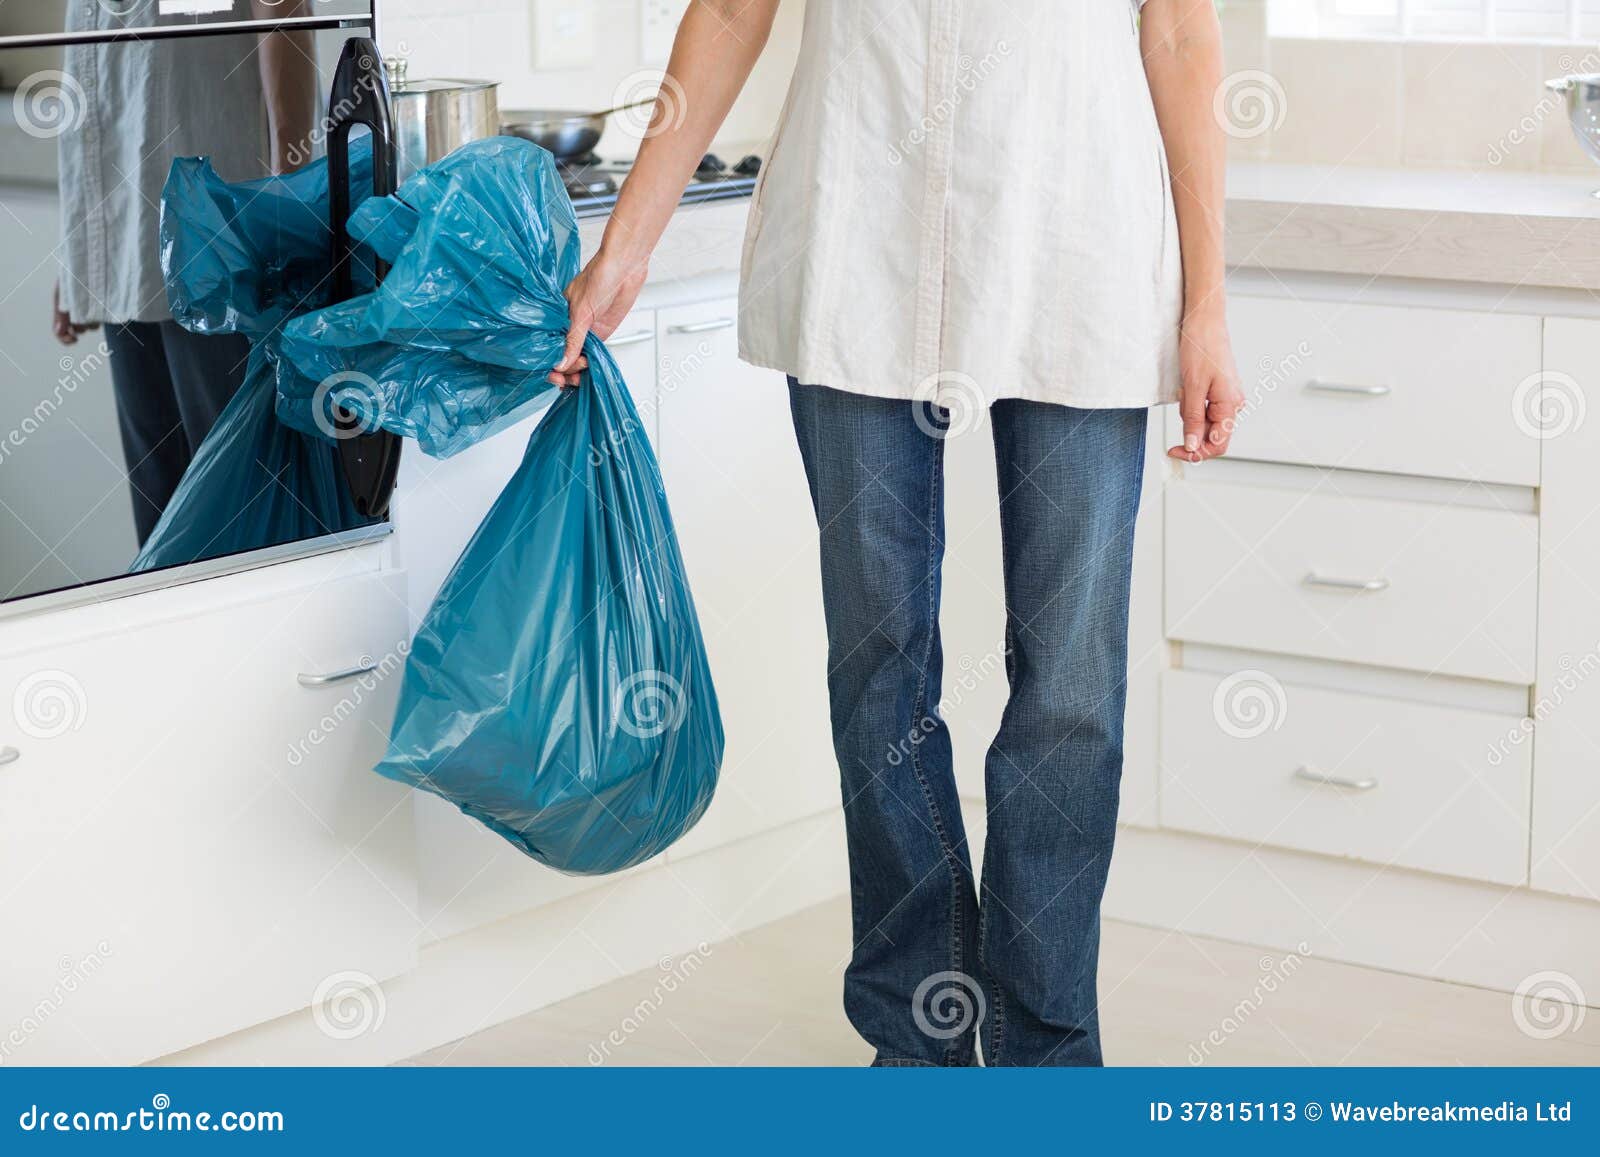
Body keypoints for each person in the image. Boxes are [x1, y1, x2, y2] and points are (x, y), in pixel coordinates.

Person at [554, 0, 1243, 1067]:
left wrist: (1207, 303)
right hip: (856, 233)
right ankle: (914, 1037)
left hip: (1078, 239)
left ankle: (1045, 1058)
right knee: (878, 663)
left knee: (1069, 679)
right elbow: (734, 8)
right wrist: (626, 243)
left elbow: (1182, 35)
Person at [52, 2, 317, 545]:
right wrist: (82, 245)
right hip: (121, 237)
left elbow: (283, 9)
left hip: (216, 221)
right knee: (159, 504)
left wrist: (290, 201)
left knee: (234, 497)